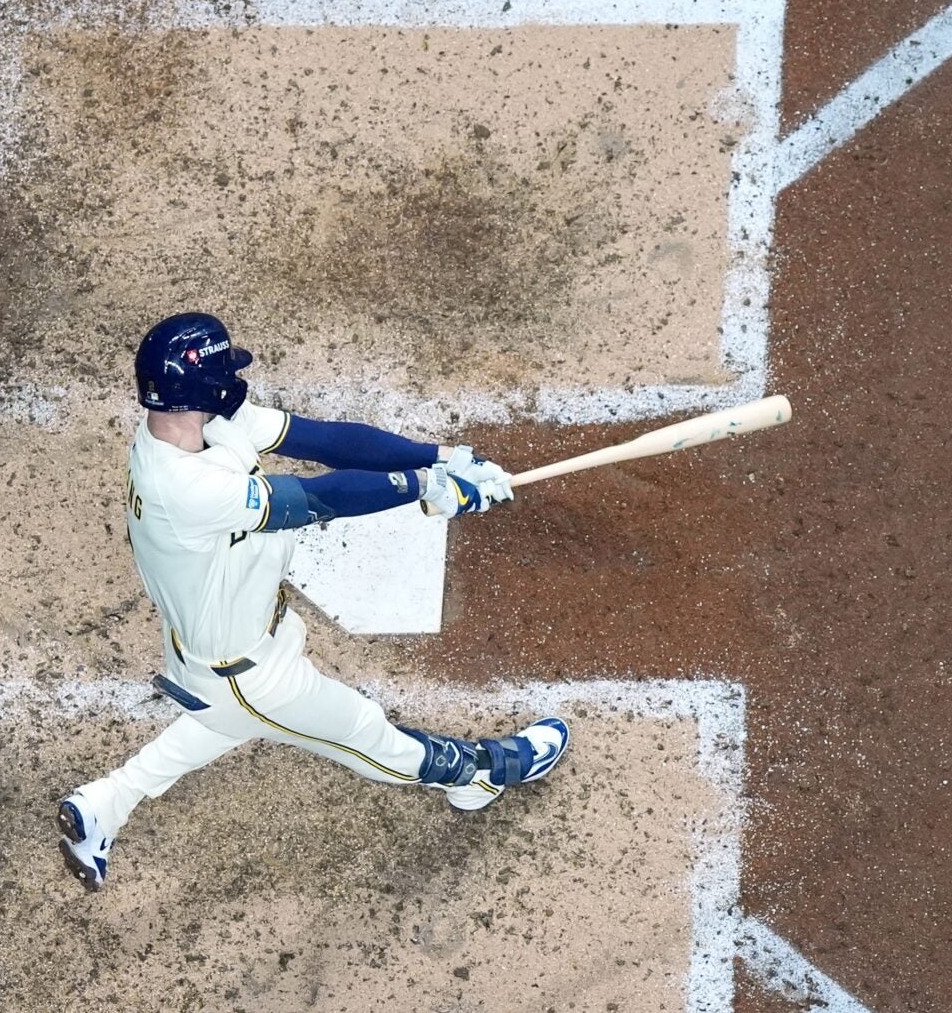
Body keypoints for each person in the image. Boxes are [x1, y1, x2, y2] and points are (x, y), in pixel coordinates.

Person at [57, 311, 569, 891]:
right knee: (367, 734)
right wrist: (428, 491)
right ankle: (476, 775)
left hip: (211, 652)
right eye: (222, 370)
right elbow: (321, 497)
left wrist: (438, 458)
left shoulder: (186, 427)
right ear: (198, 386)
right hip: (249, 674)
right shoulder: (186, 489)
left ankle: (103, 804)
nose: (233, 379)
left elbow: (323, 440)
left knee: (220, 722)